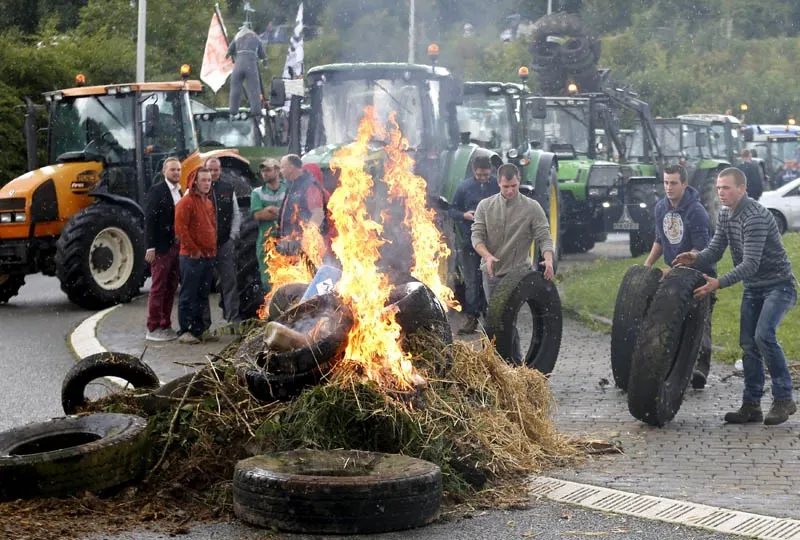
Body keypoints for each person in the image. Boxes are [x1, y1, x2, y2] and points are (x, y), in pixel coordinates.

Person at [674, 167, 797, 426]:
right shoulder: (726, 215)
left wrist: (717, 283)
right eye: (718, 188)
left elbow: (750, 264)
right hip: (754, 288)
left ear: (742, 189)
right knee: (748, 345)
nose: (721, 193)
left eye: (726, 188)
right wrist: (696, 257)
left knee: (764, 335)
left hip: (779, 286)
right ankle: (751, 405)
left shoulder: (755, 217)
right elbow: (716, 249)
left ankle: (783, 398)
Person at [471, 163, 554, 364]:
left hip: (519, 274)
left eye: (514, 186)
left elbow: (544, 235)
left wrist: (549, 259)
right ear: (498, 183)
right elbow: (476, 237)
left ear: (519, 183)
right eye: (505, 187)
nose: (510, 191)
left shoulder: (532, 207)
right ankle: (500, 364)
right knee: (496, 322)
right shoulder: (485, 206)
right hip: (492, 273)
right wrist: (487, 256)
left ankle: (514, 365)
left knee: (509, 320)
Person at [643, 164, 716, 389]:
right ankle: (674, 366)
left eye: (673, 183)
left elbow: (701, 251)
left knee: (700, 323)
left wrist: (681, 265)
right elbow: (659, 240)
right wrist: (646, 267)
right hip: (674, 276)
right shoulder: (660, 208)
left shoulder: (696, 211)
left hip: (700, 275)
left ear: (684, 184)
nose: (669, 187)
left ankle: (700, 369)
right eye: (665, 182)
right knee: (674, 320)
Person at [448, 155, 500, 335]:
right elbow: (452, 210)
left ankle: (491, 318)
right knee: (471, 281)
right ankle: (472, 317)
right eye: (479, 175)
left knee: (491, 280)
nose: (483, 178)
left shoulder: (497, 185)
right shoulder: (464, 188)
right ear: (473, 171)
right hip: (470, 241)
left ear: (491, 172)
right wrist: (465, 215)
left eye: (486, 175)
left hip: (492, 241)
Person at [175, 168, 218, 344]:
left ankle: (200, 329)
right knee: (188, 294)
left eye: (209, 180)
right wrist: (194, 250)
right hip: (191, 258)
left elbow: (211, 226)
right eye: (204, 180)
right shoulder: (186, 202)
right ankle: (185, 330)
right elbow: (181, 230)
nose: (207, 183)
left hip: (207, 256)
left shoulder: (207, 202)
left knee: (202, 294)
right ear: (195, 182)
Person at [143, 157, 182, 342]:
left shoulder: (179, 191)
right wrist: (150, 247)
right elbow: (149, 220)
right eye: (173, 169)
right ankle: (153, 326)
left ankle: (165, 324)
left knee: (171, 286)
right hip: (161, 247)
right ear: (164, 172)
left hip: (176, 246)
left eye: (178, 170)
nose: (176, 172)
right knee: (158, 287)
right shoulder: (157, 191)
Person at [201, 157, 242, 326]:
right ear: (204, 170)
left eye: (216, 170)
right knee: (203, 285)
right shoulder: (197, 189)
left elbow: (236, 213)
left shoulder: (227, 188)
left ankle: (233, 319)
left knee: (230, 282)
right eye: (210, 170)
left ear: (220, 170)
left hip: (224, 243)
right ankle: (204, 324)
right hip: (204, 247)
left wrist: (232, 236)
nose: (213, 173)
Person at [277, 154, 327, 254]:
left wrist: (305, 240)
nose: (280, 171)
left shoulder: (309, 185)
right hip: (289, 243)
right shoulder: (292, 185)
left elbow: (318, 214)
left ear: (291, 167)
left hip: (305, 246)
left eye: (282, 167)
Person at [250, 158, 286, 290]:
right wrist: (282, 212)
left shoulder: (288, 188)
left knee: (287, 279)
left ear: (277, 170)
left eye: (268, 170)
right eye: (263, 170)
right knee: (268, 282)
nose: (264, 173)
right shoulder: (257, 192)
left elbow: (293, 211)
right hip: (266, 243)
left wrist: (270, 209)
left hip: (286, 240)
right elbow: (258, 214)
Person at [227, 24, 267, 117]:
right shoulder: (256, 38)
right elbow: (262, 53)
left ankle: (233, 109)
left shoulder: (237, 36)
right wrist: (265, 62)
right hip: (250, 64)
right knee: (254, 88)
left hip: (238, 64)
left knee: (235, 87)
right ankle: (256, 110)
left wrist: (229, 55)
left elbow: (230, 49)